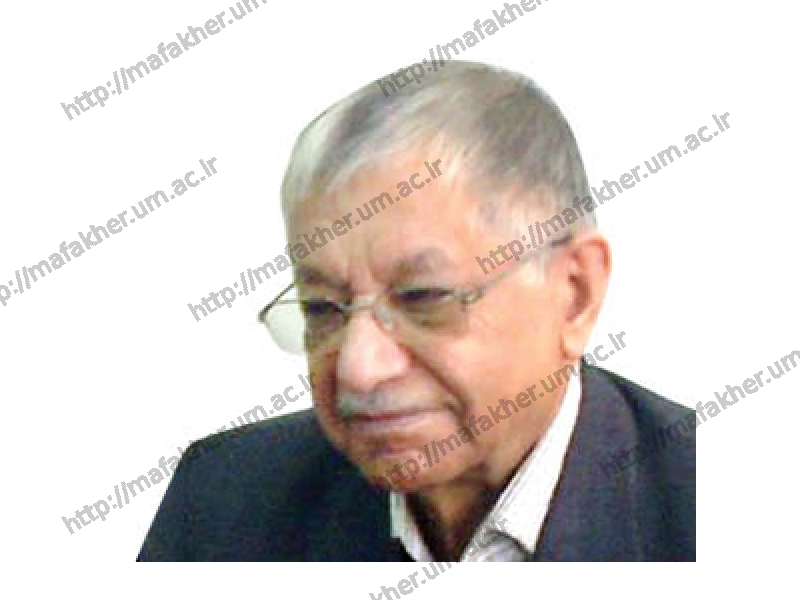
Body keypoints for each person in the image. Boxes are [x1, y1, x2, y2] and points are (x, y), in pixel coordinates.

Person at [138, 60, 695, 561]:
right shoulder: (220, 504)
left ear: (575, 294)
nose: (358, 369)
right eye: (323, 308)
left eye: (422, 298)